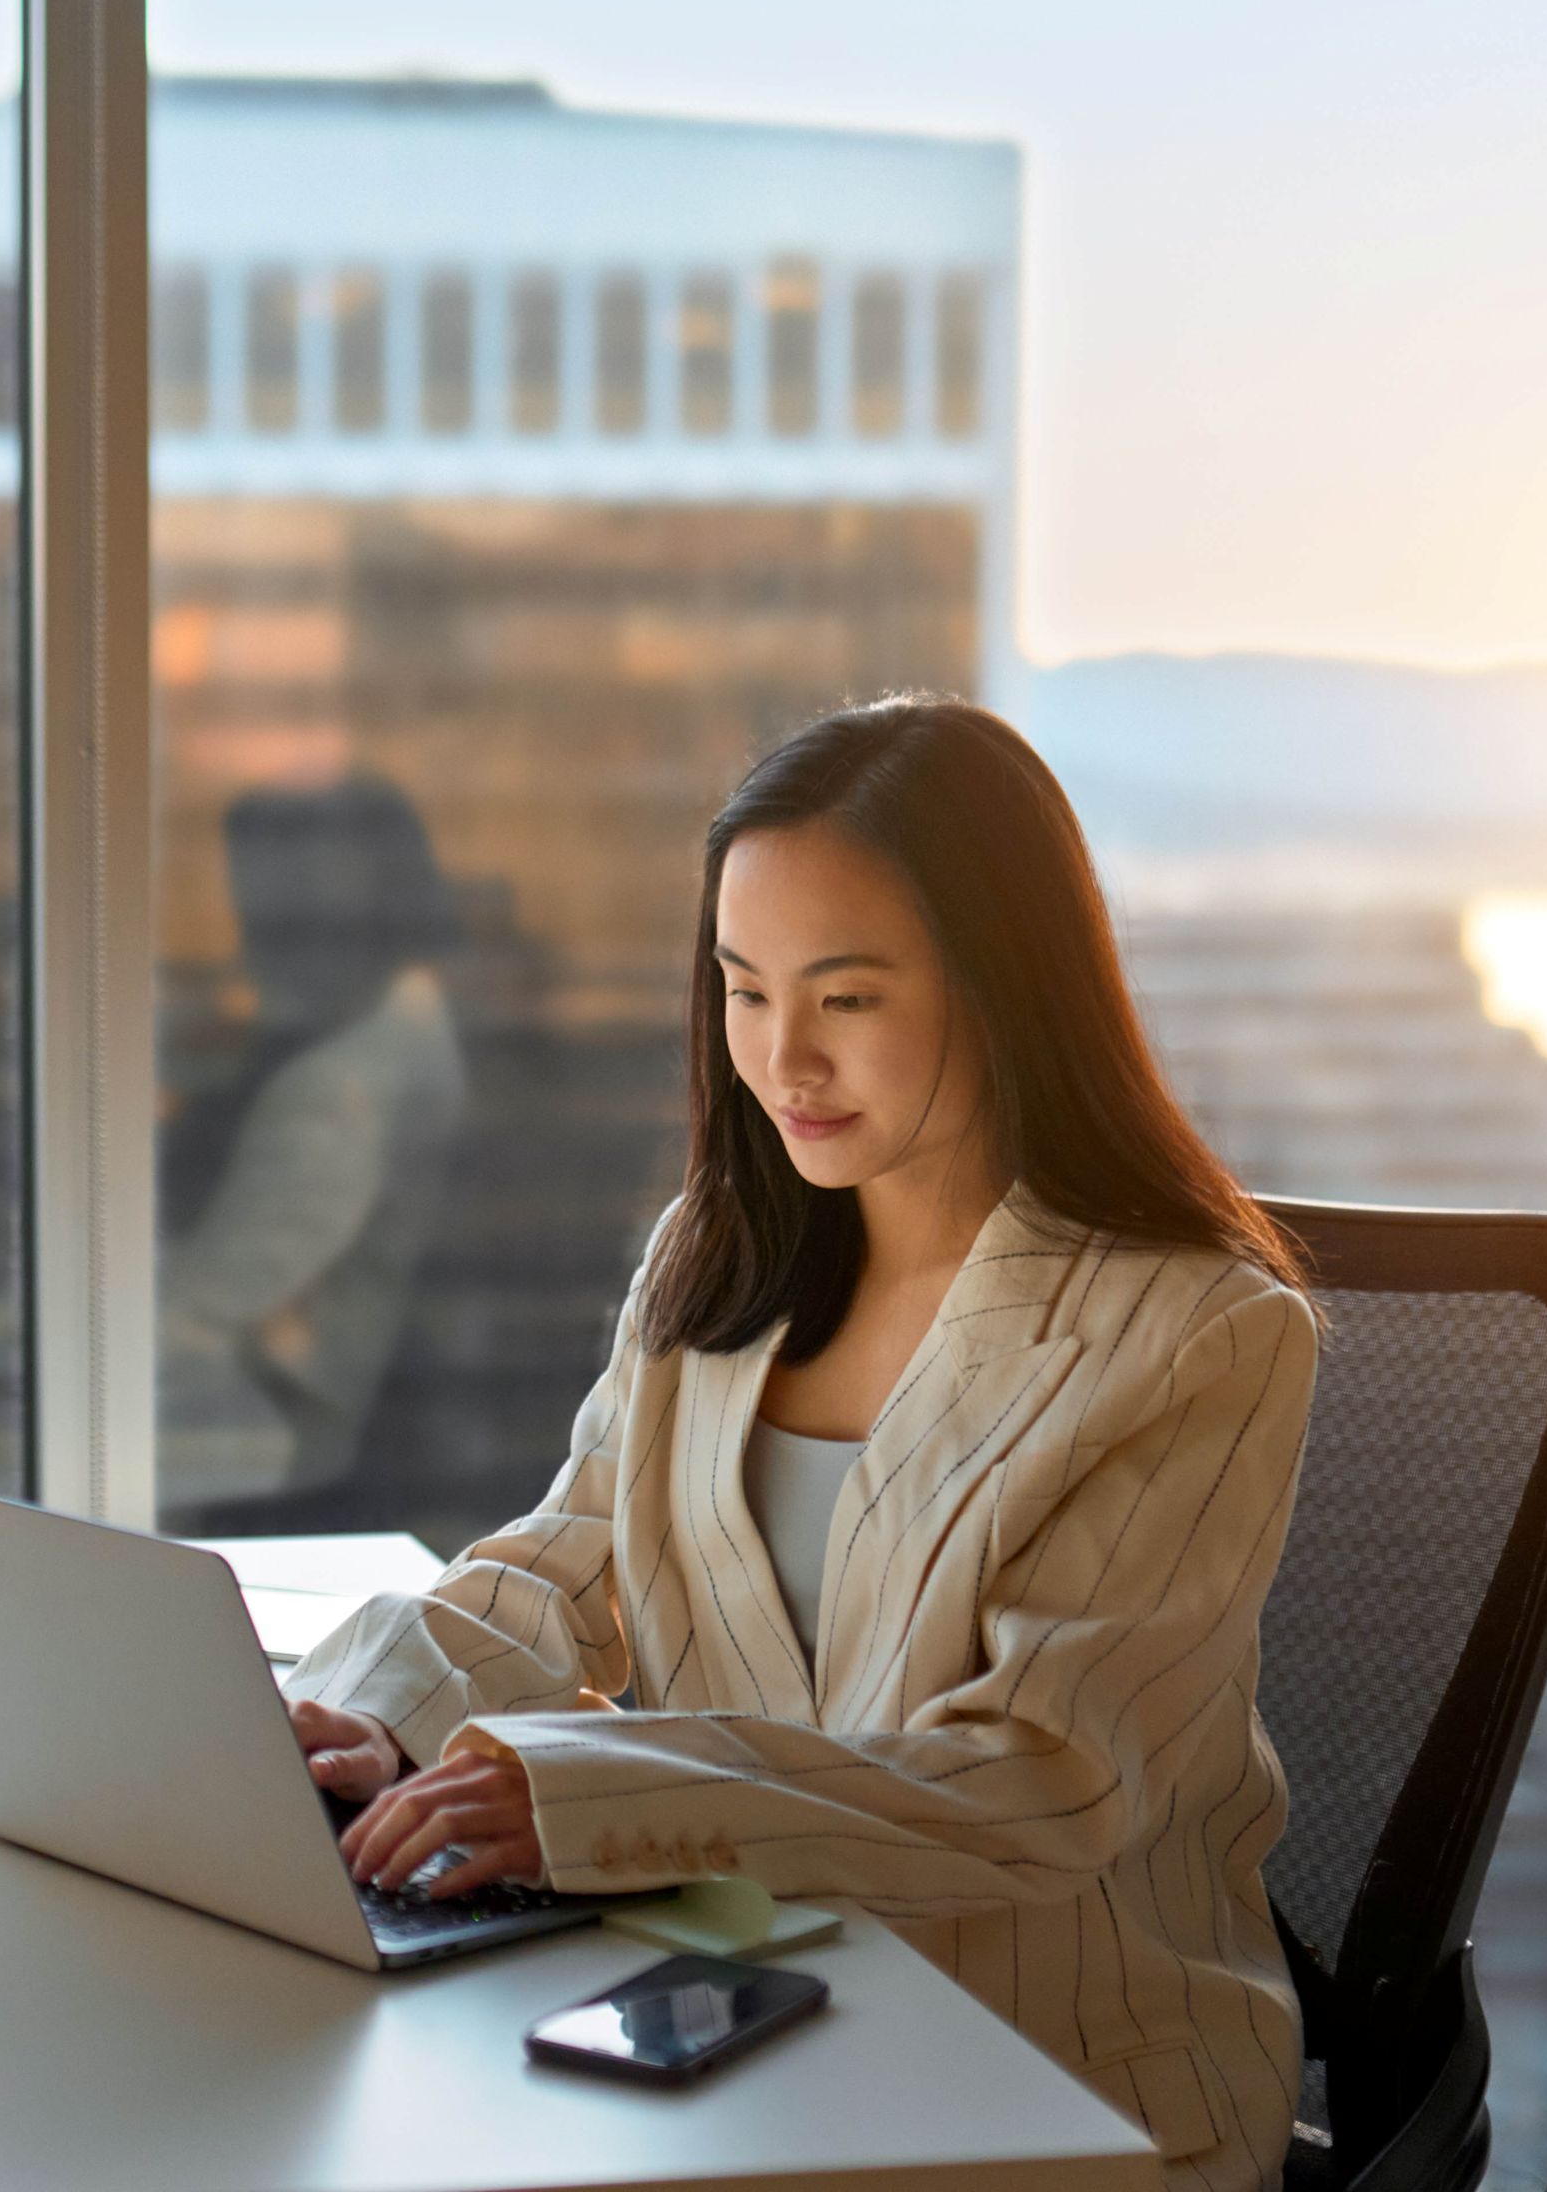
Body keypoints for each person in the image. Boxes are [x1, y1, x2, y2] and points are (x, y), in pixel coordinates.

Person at [281, 694, 1316, 2192]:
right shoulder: (722, 1250)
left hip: (1059, 2076)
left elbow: (1041, 1781)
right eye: (743, 990)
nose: (784, 1062)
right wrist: (378, 1714)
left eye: (848, 997)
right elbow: (571, 1566)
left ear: (1006, 984)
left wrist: (591, 1793)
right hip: (742, 2007)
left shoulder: (1198, 1335)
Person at [155, 774, 467, 1518]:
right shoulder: (416, 1023)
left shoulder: (341, 1088)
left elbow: (204, 1305)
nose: (251, 940)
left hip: (288, 1453)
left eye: (273, 915)